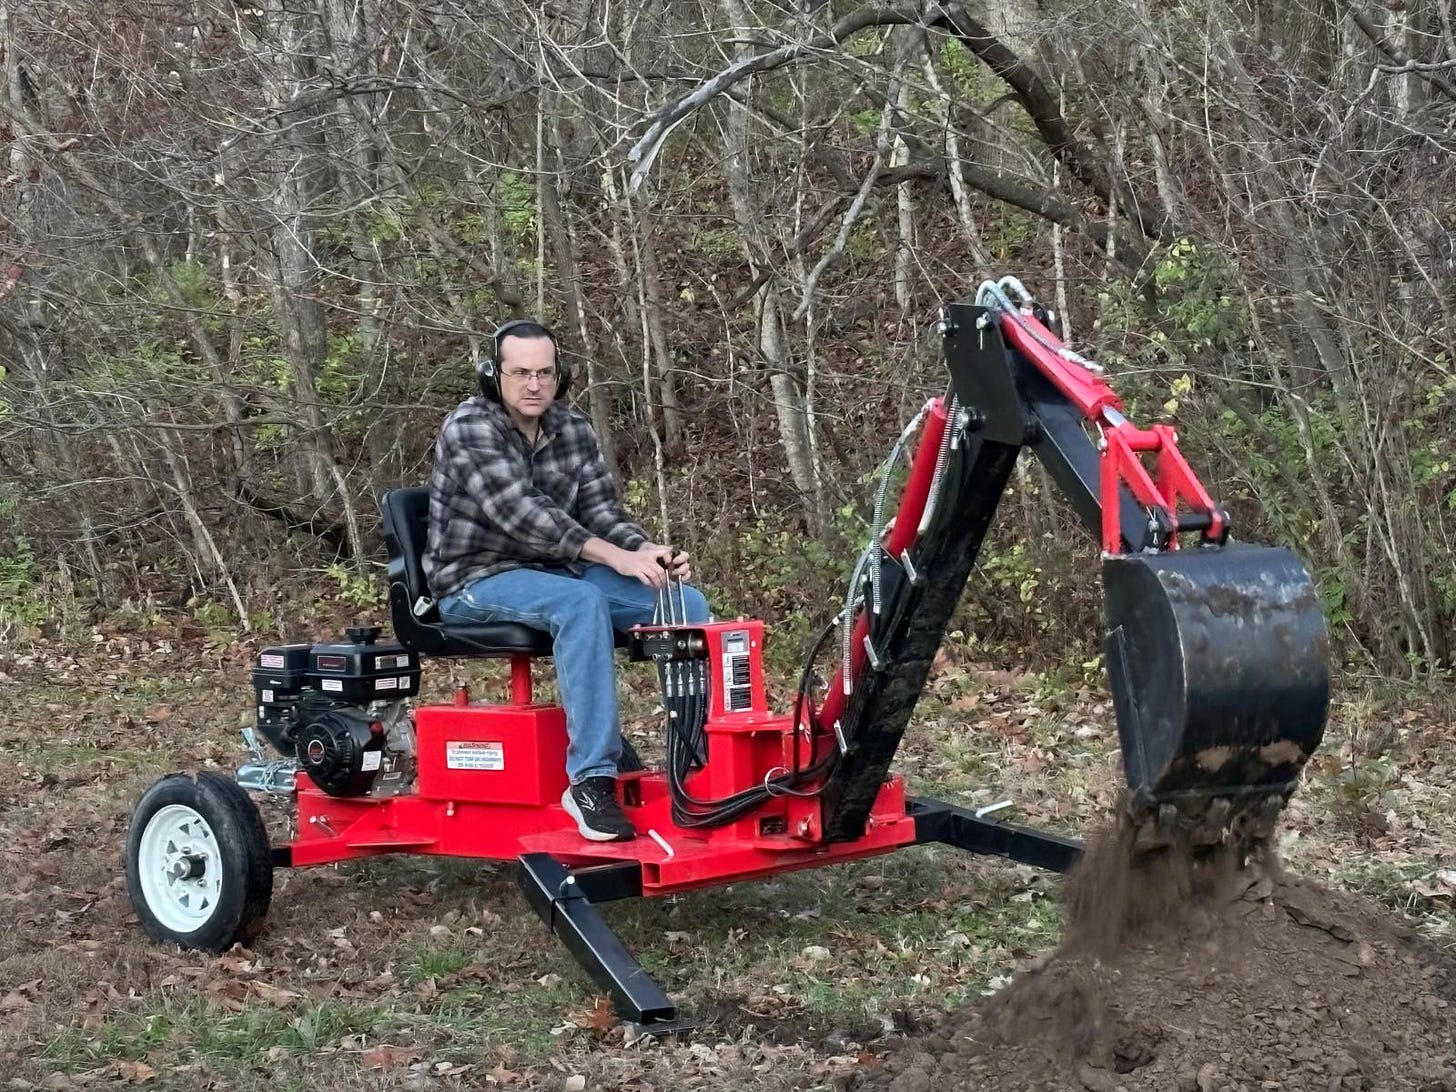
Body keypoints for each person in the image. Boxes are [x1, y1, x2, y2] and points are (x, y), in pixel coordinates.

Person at [423, 319, 709, 843]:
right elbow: (524, 514)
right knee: (579, 603)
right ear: (494, 376)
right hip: (475, 579)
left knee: (684, 602)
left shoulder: (571, 428)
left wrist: (642, 550)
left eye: (546, 373)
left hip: (558, 571)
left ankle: (696, 763)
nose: (535, 385)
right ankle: (591, 781)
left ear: (562, 376)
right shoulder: (469, 427)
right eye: (521, 373)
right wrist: (612, 558)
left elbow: (601, 511)